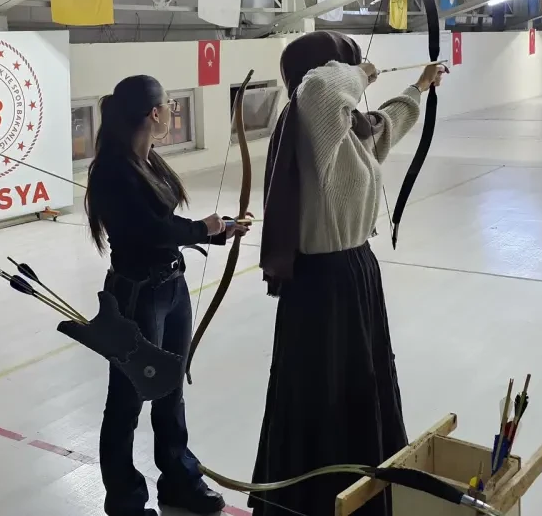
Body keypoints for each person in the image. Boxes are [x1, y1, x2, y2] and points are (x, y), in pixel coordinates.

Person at [251, 31, 445, 516]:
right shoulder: (310, 117)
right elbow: (318, 88)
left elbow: (387, 126)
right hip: (322, 286)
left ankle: (363, 493)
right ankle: (312, 502)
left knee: (363, 386)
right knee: (323, 394)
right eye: (347, 65)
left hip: (355, 274)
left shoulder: (345, 131)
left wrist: (420, 87)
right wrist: (360, 71)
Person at [83, 75, 249, 516]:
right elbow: (147, 230)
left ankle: (177, 479)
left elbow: (164, 227)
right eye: (169, 105)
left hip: (170, 288)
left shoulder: (147, 159)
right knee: (128, 398)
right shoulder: (113, 169)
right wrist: (203, 229)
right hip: (137, 296)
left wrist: (219, 232)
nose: (174, 111)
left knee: (170, 388)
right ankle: (125, 501)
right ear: (153, 114)